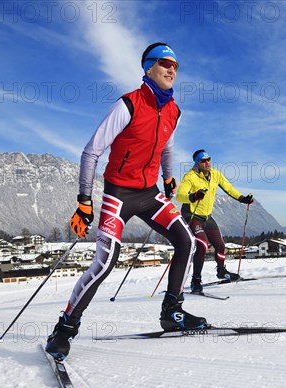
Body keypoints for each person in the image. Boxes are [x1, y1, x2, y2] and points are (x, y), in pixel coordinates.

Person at [45, 43, 207, 361]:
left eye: (176, 65)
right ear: (148, 68)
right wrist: (84, 201)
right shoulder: (128, 105)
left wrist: (169, 177)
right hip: (119, 194)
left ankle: (171, 312)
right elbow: (91, 151)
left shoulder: (173, 111)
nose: (172, 69)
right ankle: (64, 329)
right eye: (164, 63)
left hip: (149, 193)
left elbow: (167, 147)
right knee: (105, 262)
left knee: (186, 241)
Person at [177, 149, 254, 293]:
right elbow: (180, 196)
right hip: (192, 215)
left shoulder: (216, 175)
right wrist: (193, 196)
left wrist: (243, 199)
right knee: (202, 244)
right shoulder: (190, 177)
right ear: (197, 163)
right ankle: (196, 281)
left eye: (208, 160)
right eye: (203, 161)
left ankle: (221, 271)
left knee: (220, 245)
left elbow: (229, 188)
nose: (207, 163)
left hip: (207, 216)